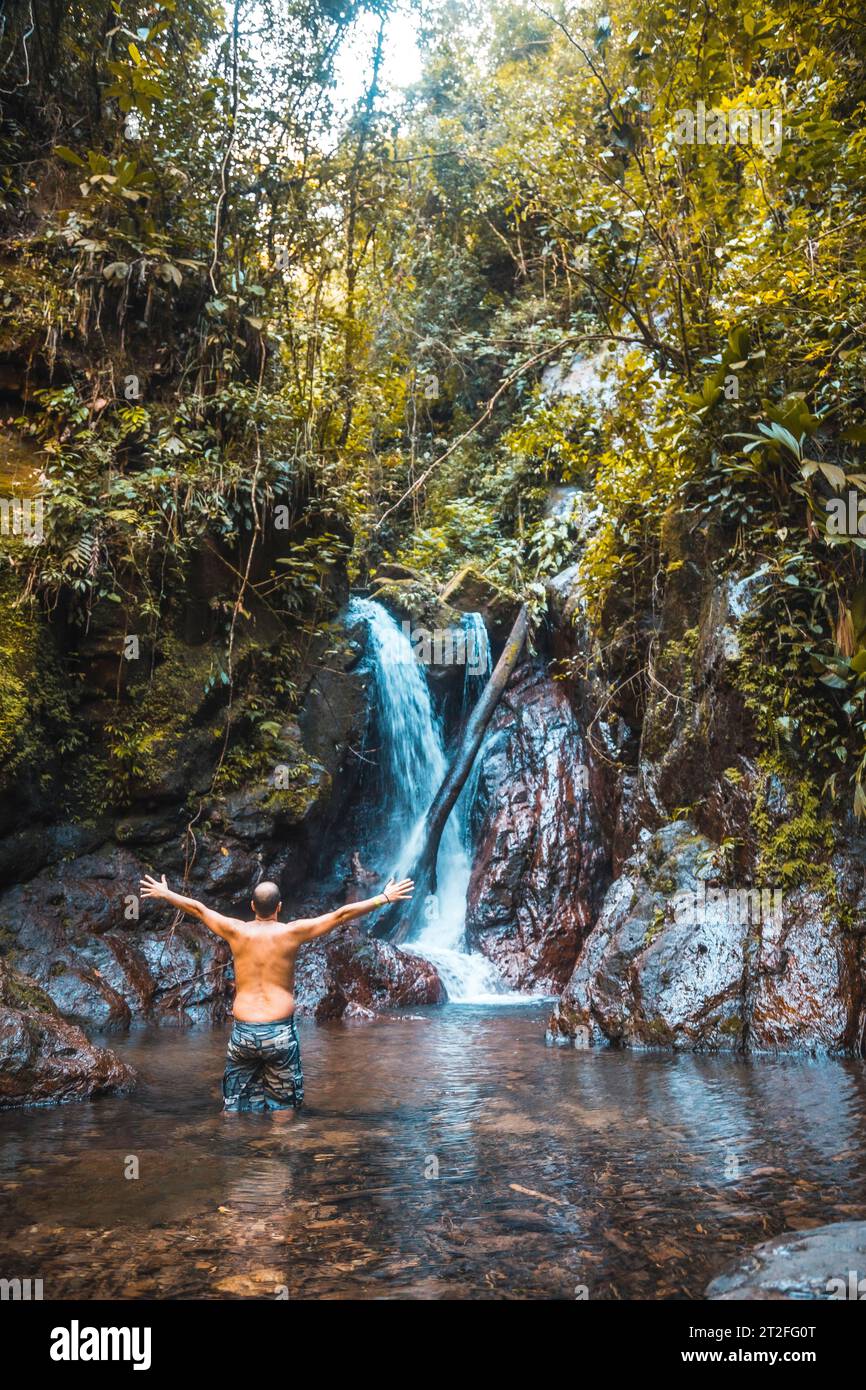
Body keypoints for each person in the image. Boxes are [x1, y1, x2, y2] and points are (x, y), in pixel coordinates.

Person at [138, 872, 414, 1113]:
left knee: (234, 1104)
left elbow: (197, 910)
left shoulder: (236, 931)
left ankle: (236, 1158)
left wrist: (165, 893)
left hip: (244, 1032)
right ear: (279, 907)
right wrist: (384, 897)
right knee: (283, 1105)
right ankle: (280, 1155)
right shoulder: (292, 933)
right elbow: (341, 915)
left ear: (251, 906)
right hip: (279, 1034)